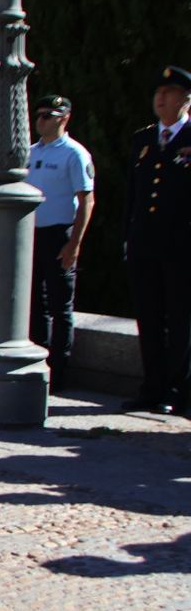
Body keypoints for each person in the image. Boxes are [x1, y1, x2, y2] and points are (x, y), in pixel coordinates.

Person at [122, 65, 191, 418]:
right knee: (148, 318)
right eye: (158, 93)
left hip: (181, 248)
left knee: (179, 320)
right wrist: (128, 237)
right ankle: (151, 388)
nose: (161, 98)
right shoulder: (144, 140)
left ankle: (177, 392)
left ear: (186, 99)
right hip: (144, 244)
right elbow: (133, 195)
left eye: (170, 93)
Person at [25, 95, 93, 393]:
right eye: (38, 115)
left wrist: (74, 243)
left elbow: (86, 199)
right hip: (32, 234)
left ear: (63, 118)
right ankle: (37, 363)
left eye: (47, 115)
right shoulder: (29, 152)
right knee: (35, 305)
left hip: (59, 235)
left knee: (59, 305)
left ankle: (60, 372)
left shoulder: (74, 153)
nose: (40, 120)